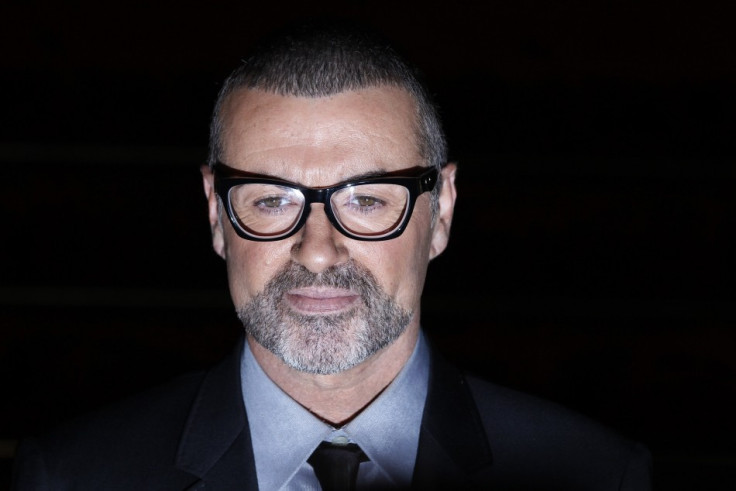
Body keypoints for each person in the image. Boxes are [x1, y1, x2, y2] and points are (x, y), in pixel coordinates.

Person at [12, 24, 651, 490]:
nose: (317, 252)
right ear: (215, 211)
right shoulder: (71, 476)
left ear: (443, 211)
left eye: (368, 200)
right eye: (270, 201)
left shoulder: (597, 475)